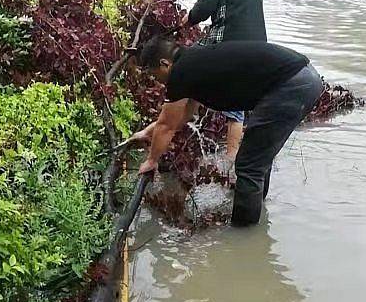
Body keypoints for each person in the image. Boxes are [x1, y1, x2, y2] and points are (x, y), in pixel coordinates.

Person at [136, 37, 322, 227]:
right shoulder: (192, 61)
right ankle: (257, 213)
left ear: (164, 64)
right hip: (303, 76)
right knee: (257, 159)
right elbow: (182, 116)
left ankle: (243, 233)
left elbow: (166, 126)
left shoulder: (180, 73)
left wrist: (151, 161)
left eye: (154, 74)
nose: (157, 81)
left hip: (292, 85)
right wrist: (150, 132)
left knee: (249, 165)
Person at [181, 0, 267, 160]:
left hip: (232, 40)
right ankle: (232, 158)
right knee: (237, 97)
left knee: (188, 63)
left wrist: (188, 19)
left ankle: (228, 157)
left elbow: (206, 5)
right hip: (258, 44)